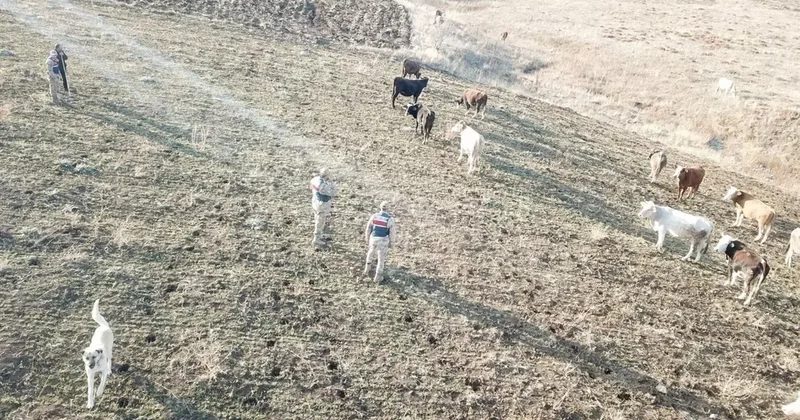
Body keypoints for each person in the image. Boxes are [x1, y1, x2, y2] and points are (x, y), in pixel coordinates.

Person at [363, 201, 397, 283]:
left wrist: (367, 237)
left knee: (370, 253)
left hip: (373, 238)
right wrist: (392, 243)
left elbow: (369, 228)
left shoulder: (374, 216)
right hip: (383, 240)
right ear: (388, 208)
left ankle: (367, 269)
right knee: (381, 259)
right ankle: (377, 277)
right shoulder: (389, 219)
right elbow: (392, 232)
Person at [309, 168, 338, 247]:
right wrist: (333, 184)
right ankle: (316, 239)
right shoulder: (323, 186)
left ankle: (318, 236)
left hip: (315, 201)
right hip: (322, 205)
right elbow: (333, 193)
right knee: (320, 222)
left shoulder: (315, 179)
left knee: (317, 219)